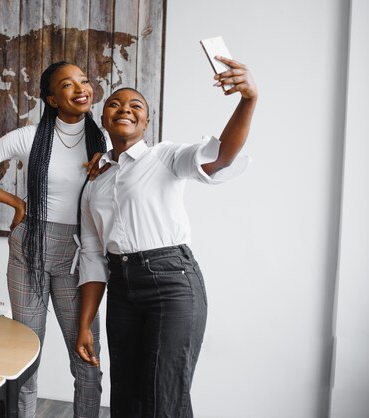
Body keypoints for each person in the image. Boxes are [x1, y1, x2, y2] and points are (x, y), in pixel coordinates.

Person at [75, 56, 258, 417]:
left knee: (164, 396)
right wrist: (85, 325)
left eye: (135, 105)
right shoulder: (94, 181)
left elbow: (221, 157)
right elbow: (93, 258)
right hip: (122, 290)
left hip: (172, 282)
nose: (124, 108)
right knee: (126, 398)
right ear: (104, 118)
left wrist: (248, 99)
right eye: (114, 103)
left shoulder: (166, 156)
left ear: (146, 121)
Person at [0, 61, 106, 418]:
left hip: (79, 256)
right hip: (29, 249)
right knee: (26, 358)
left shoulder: (106, 141)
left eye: (83, 80)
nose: (81, 87)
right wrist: (16, 202)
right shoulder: (28, 136)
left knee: (86, 360)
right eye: (68, 84)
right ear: (52, 98)